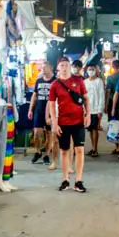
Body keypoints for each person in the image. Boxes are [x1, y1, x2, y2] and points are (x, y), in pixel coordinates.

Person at [47, 58, 90, 192]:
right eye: (62, 66)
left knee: (79, 150)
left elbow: (86, 99)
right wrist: (54, 123)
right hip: (63, 122)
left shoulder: (79, 81)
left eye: (66, 65)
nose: (65, 68)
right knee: (64, 151)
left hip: (78, 121)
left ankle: (78, 181)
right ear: (58, 68)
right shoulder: (55, 85)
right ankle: (65, 180)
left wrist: (87, 114)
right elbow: (52, 105)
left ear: (70, 67)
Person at [28, 61, 56, 165]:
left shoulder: (55, 81)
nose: (42, 70)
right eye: (42, 68)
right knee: (36, 133)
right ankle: (38, 151)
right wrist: (30, 109)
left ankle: (47, 155)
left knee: (50, 134)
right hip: (39, 110)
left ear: (50, 68)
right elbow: (34, 96)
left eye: (45, 68)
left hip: (50, 112)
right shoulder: (38, 81)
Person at [84, 63, 106, 158]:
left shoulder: (99, 81)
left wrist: (99, 110)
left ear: (96, 70)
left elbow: (101, 96)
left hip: (96, 109)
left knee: (95, 129)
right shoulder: (85, 82)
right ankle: (93, 148)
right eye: (89, 69)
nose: (91, 71)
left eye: (92, 69)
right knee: (90, 130)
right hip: (87, 110)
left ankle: (95, 149)